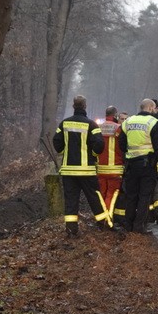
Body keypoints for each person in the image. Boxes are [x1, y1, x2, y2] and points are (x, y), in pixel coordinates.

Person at [53, 95, 109, 235]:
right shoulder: (91, 125)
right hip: (87, 171)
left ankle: (71, 230)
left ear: (73, 106)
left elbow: (57, 144)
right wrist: (93, 154)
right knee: (94, 198)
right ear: (85, 106)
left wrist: (65, 150)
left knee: (71, 201)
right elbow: (99, 145)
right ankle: (103, 224)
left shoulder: (64, 124)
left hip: (69, 171)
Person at [118, 99, 158, 234]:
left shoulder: (128, 122)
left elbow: (122, 145)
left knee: (131, 196)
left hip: (131, 165)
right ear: (151, 108)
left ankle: (128, 225)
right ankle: (139, 227)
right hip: (147, 166)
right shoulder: (153, 123)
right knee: (144, 196)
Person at [97, 106, 125, 226]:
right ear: (115, 115)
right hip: (115, 169)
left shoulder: (98, 128)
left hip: (100, 168)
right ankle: (108, 219)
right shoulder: (119, 128)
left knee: (102, 194)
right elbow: (124, 148)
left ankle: (100, 217)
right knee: (112, 195)